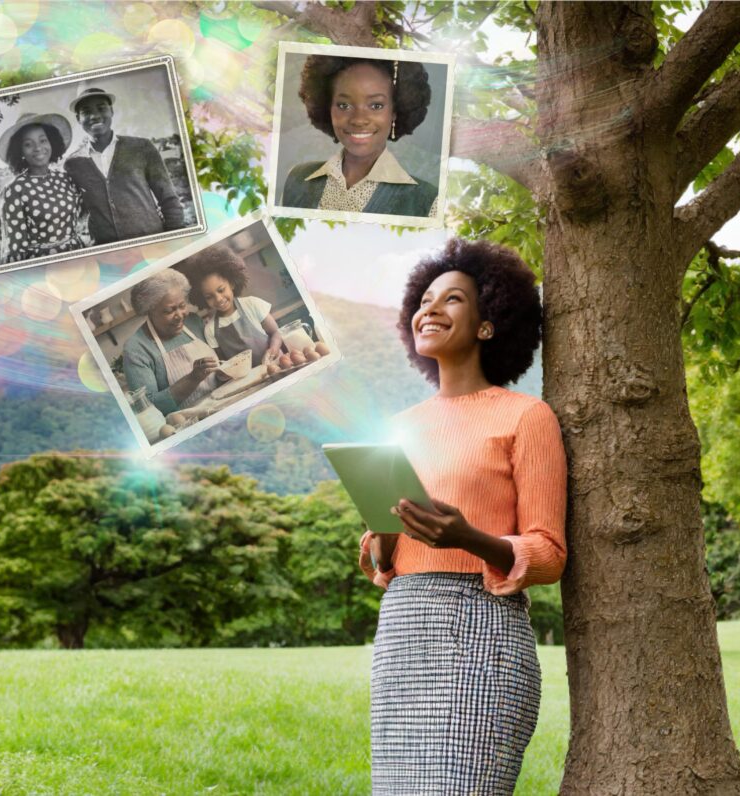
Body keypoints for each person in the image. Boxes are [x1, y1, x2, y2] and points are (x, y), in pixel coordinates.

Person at [360, 238, 567, 795]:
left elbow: (547, 554)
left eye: (452, 300)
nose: (430, 309)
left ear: (487, 323)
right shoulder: (400, 425)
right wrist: (382, 532)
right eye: (425, 299)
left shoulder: (527, 417)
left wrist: (470, 538)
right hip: (402, 632)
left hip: (480, 633)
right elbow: (386, 559)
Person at [282, 56, 438, 216]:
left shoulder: (427, 202)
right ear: (328, 109)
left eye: (376, 105)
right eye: (344, 105)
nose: (358, 119)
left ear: (394, 113)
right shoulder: (297, 179)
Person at [64, 85, 185, 245]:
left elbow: (168, 199)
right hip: (107, 253)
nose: (94, 115)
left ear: (111, 111)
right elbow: (74, 211)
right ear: (78, 119)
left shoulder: (142, 147)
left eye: (101, 108)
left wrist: (174, 239)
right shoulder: (73, 164)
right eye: (86, 112)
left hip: (153, 244)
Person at [122, 269, 223, 416]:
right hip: (186, 423)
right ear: (149, 311)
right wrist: (193, 378)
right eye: (170, 311)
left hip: (222, 403)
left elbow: (220, 362)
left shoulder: (194, 321)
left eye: (182, 306)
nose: (180, 315)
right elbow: (148, 408)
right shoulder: (137, 349)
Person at [178, 245, 284, 368]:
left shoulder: (252, 304)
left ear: (232, 283)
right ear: (201, 298)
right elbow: (223, 364)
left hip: (277, 364)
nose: (218, 299)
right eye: (209, 296)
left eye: (221, 290)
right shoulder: (210, 330)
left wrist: (274, 349)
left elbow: (276, 332)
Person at [0, 113, 83, 263]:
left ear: (52, 143)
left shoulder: (65, 178)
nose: (38, 148)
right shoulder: (14, 189)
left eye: (43, 140)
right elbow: (15, 246)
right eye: (28, 144)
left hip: (77, 254)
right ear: (20, 151)